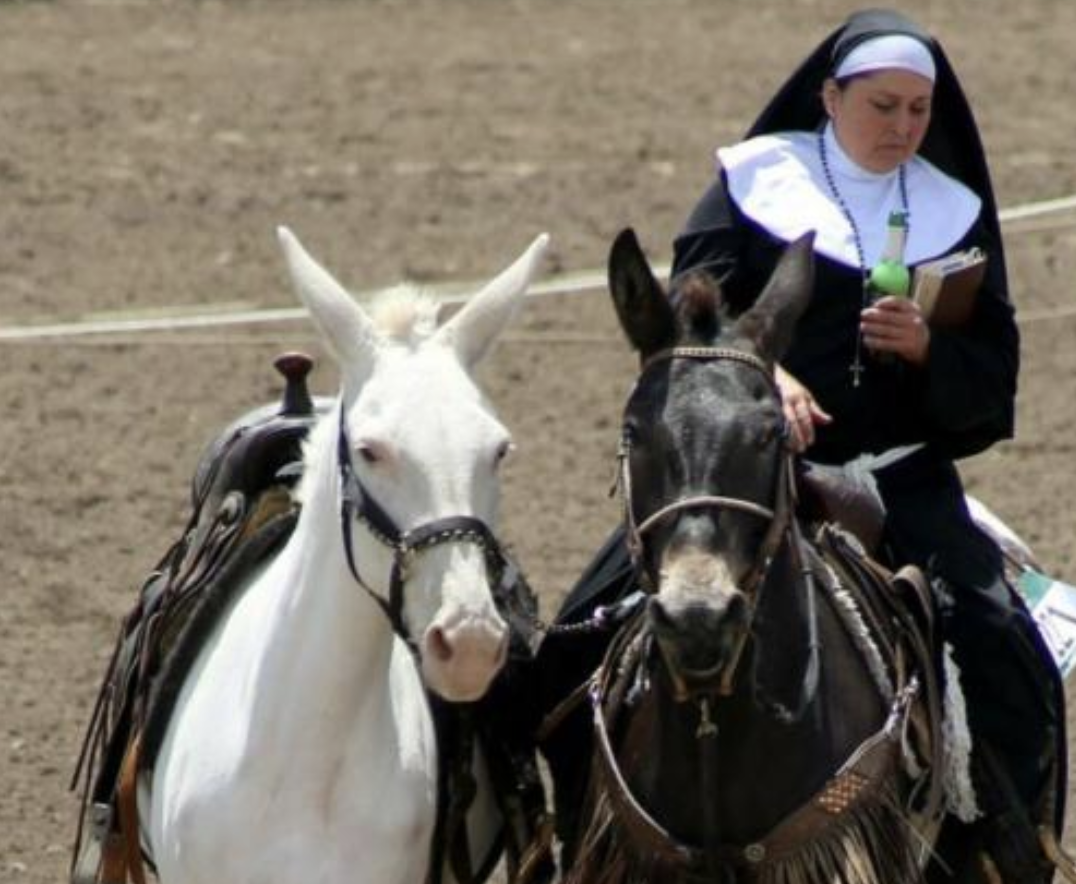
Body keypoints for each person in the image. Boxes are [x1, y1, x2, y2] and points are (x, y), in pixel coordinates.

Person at [534, 7, 1066, 880]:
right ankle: (553, 839)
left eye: (918, 110)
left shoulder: (954, 211)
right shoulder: (753, 182)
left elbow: (992, 376)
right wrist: (761, 370)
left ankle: (1005, 854)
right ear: (830, 96)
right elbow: (690, 321)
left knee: (1006, 646)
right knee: (571, 638)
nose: (902, 127)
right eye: (882, 106)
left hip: (899, 479)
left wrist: (928, 351)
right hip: (747, 471)